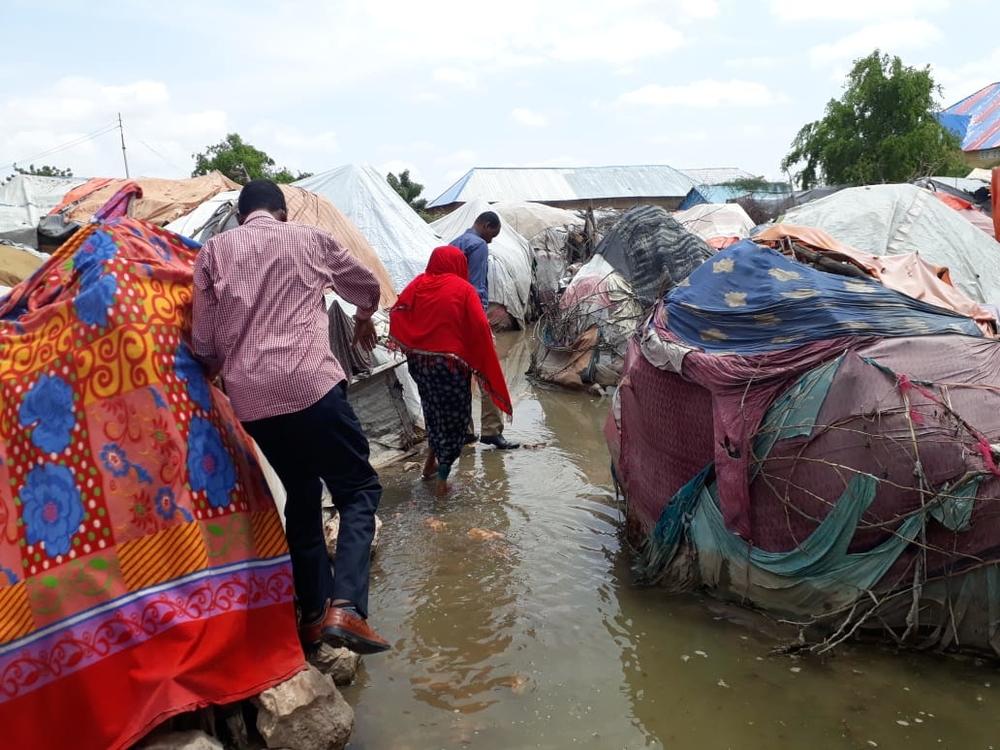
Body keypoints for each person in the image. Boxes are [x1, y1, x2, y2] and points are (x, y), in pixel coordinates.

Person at [191, 179, 390, 655]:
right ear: (281, 212)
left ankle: (312, 615)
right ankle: (348, 608)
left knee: (301, 496)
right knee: (358, 489)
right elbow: (365, 287)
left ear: (243, 217)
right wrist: (363, 318)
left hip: (253, 402)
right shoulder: (307, 238)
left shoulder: (213, 253)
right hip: (311, 387)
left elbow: (203, 344)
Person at [389, 246, 512, 495]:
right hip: (449, 367)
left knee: (433, 411)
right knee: (455, 421)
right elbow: (479, 326)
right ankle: (443, 482)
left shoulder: (418, 283)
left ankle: (429, 466)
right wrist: (475, 355)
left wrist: (412, 342)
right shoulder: (463, 288)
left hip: (420, 365)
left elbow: (397, 310)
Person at [450, 211, 520, 449]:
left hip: (453, 321)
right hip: (471, 319)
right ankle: (491, 430)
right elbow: (477, 287)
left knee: (460, 378)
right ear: (486, 225)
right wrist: (482, 324)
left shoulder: (454, 243)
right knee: (488, 374)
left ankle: (465, 431)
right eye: (493, 234)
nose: (491, 241)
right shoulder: (478, 245)